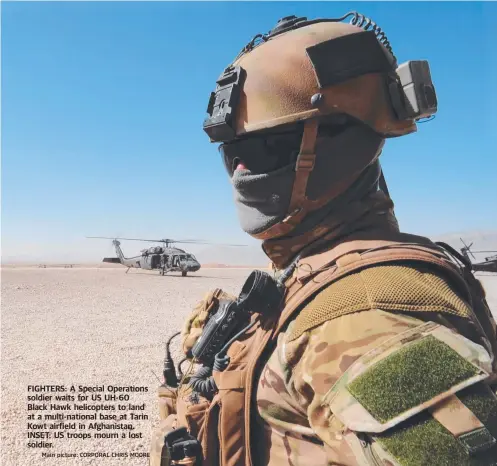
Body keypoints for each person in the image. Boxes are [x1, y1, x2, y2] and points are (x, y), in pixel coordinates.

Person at [151, 13, 497, 466]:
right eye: (230, 153)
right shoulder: (307, 276)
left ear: (341, 143)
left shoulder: (371, 315)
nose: (239, 172)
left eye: (261, 148)